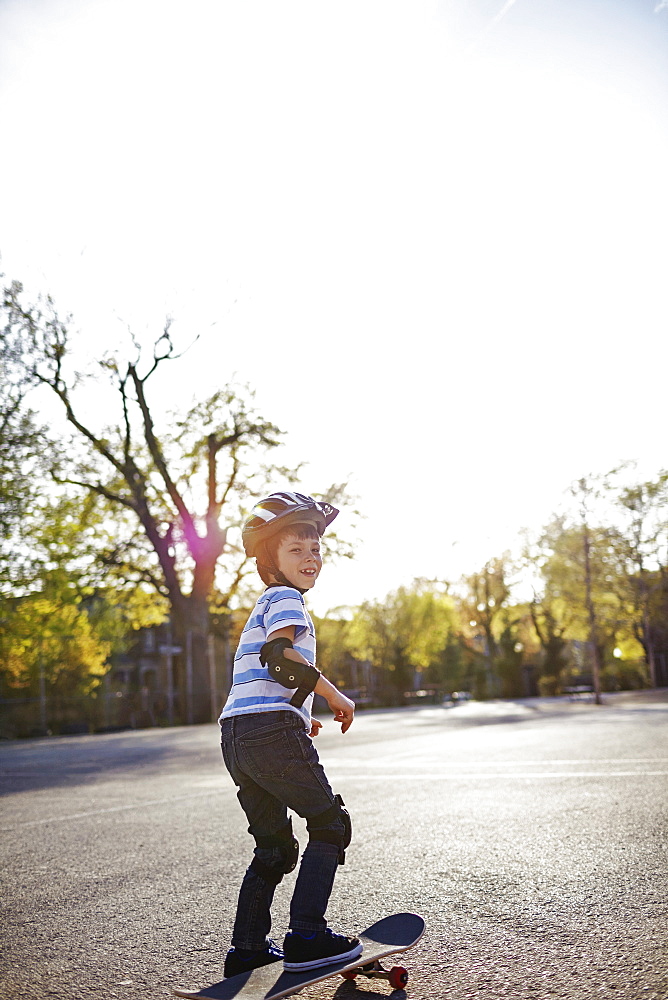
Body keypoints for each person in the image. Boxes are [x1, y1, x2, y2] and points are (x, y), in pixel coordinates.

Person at [219, 491, 360, 978]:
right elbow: (280, 661)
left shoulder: (262, 604)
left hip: (238, 734)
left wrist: (297, 713)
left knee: (275, 847)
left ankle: (248, 949)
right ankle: (307, 937)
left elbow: (263, 681)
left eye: (315, 548)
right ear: (270, 559)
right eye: (296, 550)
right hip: (268, 731)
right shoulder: (285, 599)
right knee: (330, 825)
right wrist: (332, 695)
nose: (310, 558)